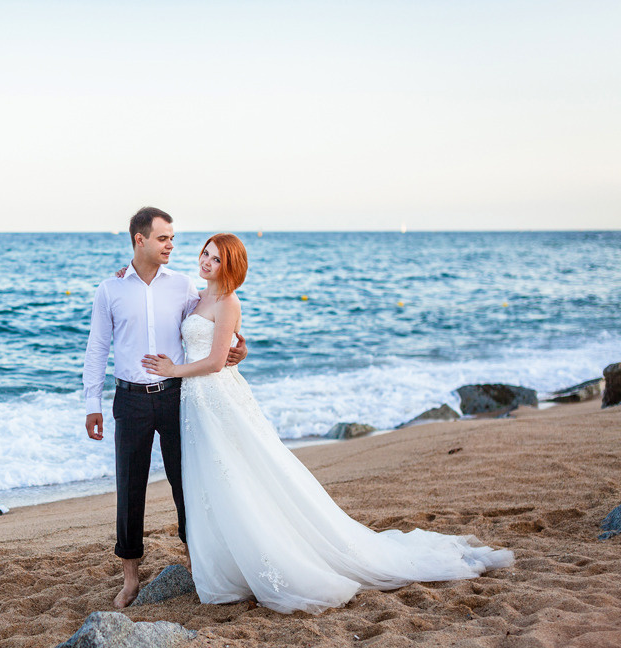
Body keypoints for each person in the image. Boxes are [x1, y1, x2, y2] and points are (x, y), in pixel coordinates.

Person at [141, 233, 514, 614]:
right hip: (197, 404)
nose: (206, 261)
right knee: (211, 480)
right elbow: (176, 302)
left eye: (216, 259)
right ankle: (227, 565)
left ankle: (266, 561)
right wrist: (129, 272)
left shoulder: (228, 301)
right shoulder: (197, 294)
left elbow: (218, 362)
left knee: (240, 474)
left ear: (231, 266)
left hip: (217, 396)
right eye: (205, 253)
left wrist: (174, 369)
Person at [83, 207, 246, 609]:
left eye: (173, 238)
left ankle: (195, 564)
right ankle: (131, 579)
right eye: (163, 238)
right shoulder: (111, 289)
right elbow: (97, 348)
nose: (172, 245)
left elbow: (214, 318)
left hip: (177, 396)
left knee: (185, 482)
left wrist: (241, 347)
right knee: (130, 488)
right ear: (140, 240)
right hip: (130, 399)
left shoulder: (184, 284)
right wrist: (93, 402)